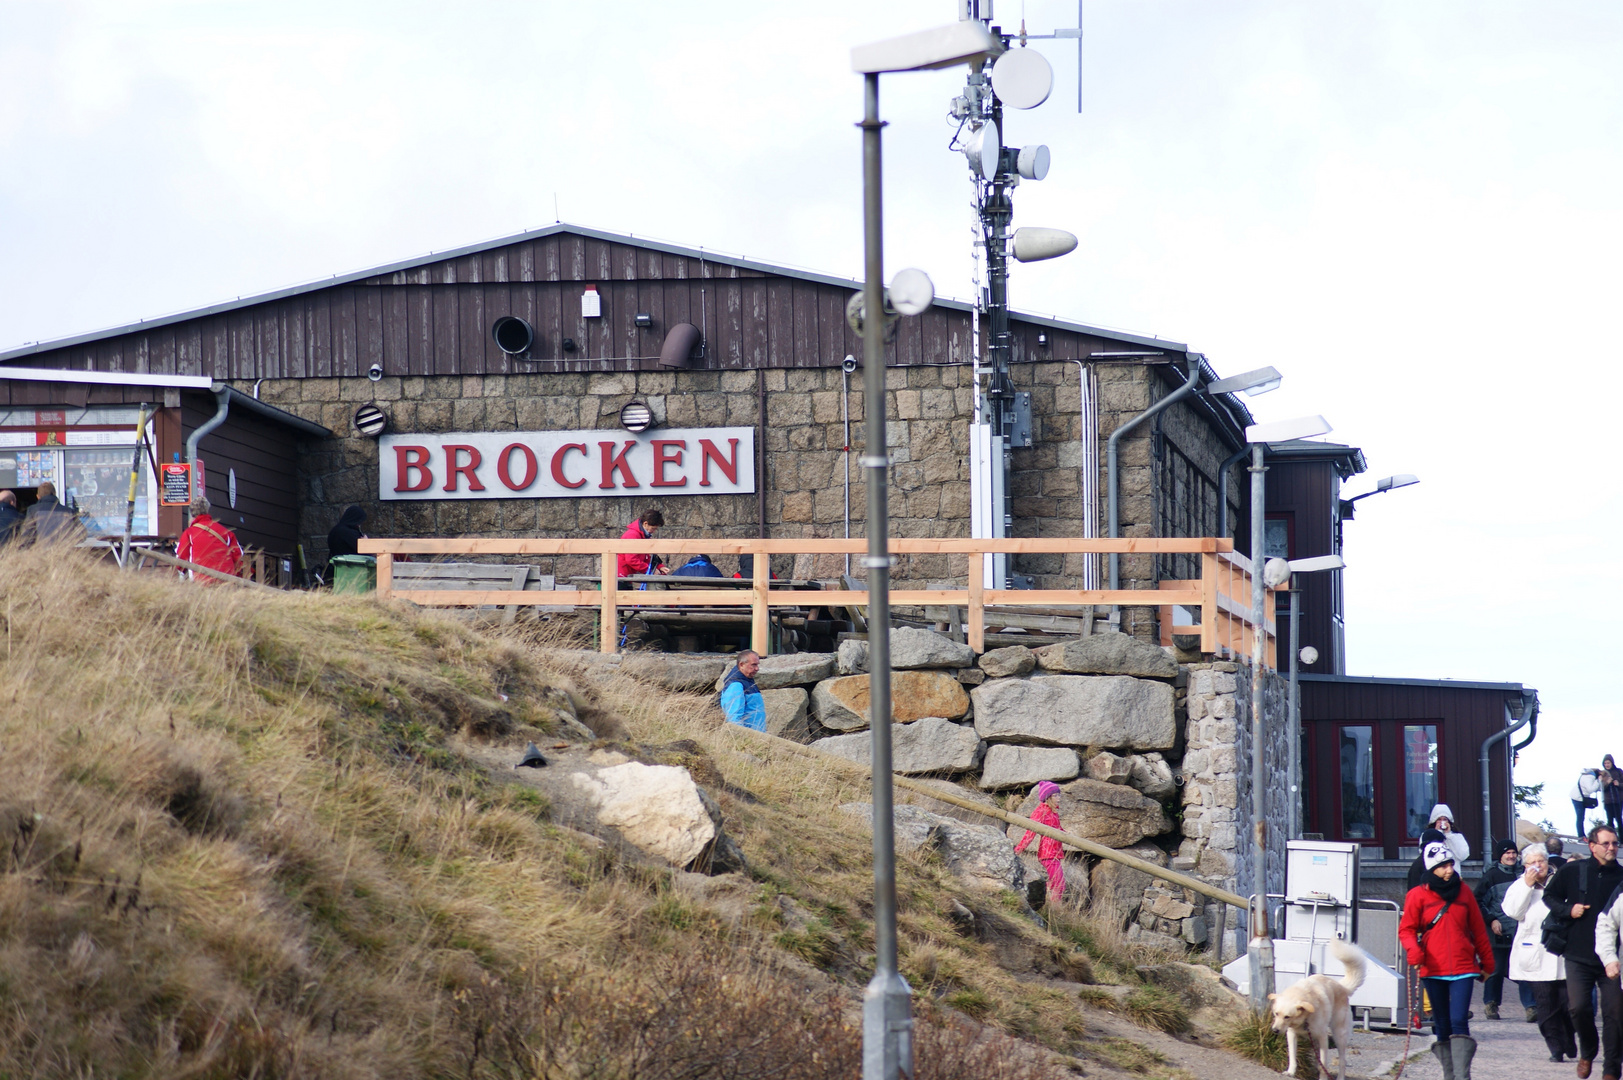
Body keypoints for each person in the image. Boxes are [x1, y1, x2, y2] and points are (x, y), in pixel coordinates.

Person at [1399, 841, 1494, 1080]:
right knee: (1441, 1023)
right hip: (1432, 968)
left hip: (1463, 966)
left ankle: (1462, 1076)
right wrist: (1414, 952)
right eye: (1442, 866)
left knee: (1459, 1019)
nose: (1449, 870)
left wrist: (1488, 963)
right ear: (1432, 869)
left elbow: (1478, 930)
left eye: (1450, 864)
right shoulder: (1416, 895)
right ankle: (1449, 1075)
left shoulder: (1464, 893)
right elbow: (1406, 930)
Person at [1542, 824, 1623, 1080]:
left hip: (1612, 959)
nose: (1611, 848)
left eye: (1615, 843)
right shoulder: (1573, 870)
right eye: (1606, 843)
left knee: (1615, 1014)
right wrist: (1569, 910)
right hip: (1578, 954)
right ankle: (1588, 1051)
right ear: (1592, 846)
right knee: (1578, 1008)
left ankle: (1611, 1068)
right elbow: (1549, 896)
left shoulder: (1622, 876)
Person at [1504, 844, 1579, 1062]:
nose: (1538, 866)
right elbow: (1513, 913)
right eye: (1532, 863)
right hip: (1535, 953)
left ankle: (1569, 1037)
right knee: (1546, 1006)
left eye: (1541, 861)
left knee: (1569, 1004)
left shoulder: (1561, 881)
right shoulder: (1519, 886)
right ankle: (1555, 1047)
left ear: (1549, 862)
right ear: (1525, 866)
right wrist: (1527, 886)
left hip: (1562, 951)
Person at [1475, 839, 1528, 1020]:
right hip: (1498, 932)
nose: (1511, 856)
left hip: (1520, 931)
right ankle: (1491, 1004)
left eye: (1513, 852)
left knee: (1524, 969)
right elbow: (1478, 901)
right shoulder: (1491, 876)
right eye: (1507, 853)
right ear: (1501, 856)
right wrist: (1491, 920)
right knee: (1495, 970)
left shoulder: (1524, 875)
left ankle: (1531, 1007)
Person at [1014, 781, 1067, 903]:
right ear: (1048, 797)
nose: (1059, 798)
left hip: (1055, 853)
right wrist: (1019, 849)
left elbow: (1057, 828)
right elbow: (1030, 832)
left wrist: (1065, 833)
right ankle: (1055, 909)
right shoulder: (1041, 811)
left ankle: (1045, 895)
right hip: (1048, 854)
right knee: (1059, 885)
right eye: (1055, 795)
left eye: (1059, 795)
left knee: (1056, 883)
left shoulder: (1053, 811)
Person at [175, 498, 243, 580]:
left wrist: (184, 574)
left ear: (192, 513)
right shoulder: (225, 532)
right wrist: (237, 574)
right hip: (226, 579)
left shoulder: (189, 533)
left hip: (201, 579)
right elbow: (238, 556)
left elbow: (181, 559)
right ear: (207, 510)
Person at [718, 650, 765, 731]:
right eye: (753, 665)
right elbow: (734, 718)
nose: (757, 668)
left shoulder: (747, 681)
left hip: (756, 737)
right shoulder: (736, 685)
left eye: (757, 665)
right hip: (750, 738)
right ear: (741, 665)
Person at [617, 510, 667, 578]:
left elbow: (646, 558)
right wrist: (650, 570)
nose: (653, 531)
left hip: (625, 574)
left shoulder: (641, 535)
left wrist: (659, 566)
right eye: (653, 528)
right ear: (645, 524)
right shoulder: (633, 535)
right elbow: (631, 559)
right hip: (621, 575)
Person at [1574, 769, 1605, 839]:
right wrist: (1598, 781)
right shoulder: (1590, 777)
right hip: (1577, 798)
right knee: (1580, 817)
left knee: (1581, 817)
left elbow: (1597, 788)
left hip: (1579, 797)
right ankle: (1581, 836)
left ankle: (1581, 835)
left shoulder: (1588, 775)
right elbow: (1590, 789)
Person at [1602, 755, 1623, 836]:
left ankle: (1621, 840)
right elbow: (1600, 787)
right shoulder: (1602, 773)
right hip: (1608, 801)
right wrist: (1607, 783)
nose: (1607, 765)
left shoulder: (1619, 771)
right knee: (1610, 821)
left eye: (1608, 763)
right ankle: (1611, 839)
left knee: (1619, 820)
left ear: (1612, 763)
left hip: (1618, 800)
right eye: (1605, 763)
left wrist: (1618, 784)